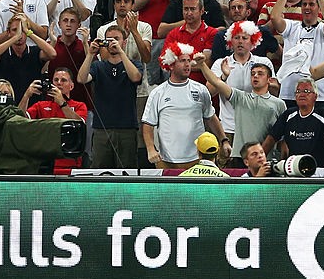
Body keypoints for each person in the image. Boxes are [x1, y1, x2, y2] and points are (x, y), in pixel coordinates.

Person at [142, 41, 229, 169]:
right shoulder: (158, 93)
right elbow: (148, 124)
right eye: (182, 61)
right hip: (167, 160)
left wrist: (224, 140)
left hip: (198, 159)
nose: (187, 64)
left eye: (189, 60)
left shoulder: (201, 89)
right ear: (171, 65)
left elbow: (211, 117)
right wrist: (150, 149)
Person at [196, 52, 284, 167]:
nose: (255, 76)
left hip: (265, 158)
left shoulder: (279, 104)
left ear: (269, 80)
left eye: (260, 74)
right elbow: (216, 82)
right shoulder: (240, 98)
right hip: (240, 157)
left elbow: (282, 137)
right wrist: (202, 64)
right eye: (252, 74)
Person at [77, 24, 143, 169]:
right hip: (101, 128)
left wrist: (121, 52)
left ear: (124, 42)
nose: (112, 43)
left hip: (127, 128)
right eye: (109, 40)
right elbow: (81, 79)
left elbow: (135, 77)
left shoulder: (134, 64)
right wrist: (90, 54)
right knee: (100, 171)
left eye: (116, 39)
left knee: (128, 171)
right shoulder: (98, 66)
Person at [270, 0, 324, 107]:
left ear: (318, 8)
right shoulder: (292, 27)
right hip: (289, 93)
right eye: (304, 4)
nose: (307, 7)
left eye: (312, 4)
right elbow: (274, 18)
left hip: (318, 95)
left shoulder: (322, 31)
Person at [19, 68, 88, 174]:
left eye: (63, 80)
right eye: (56, 80)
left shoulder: (79, 106)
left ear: (71, 86)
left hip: (70, 165)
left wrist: (62, 103)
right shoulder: (40, 105)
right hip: (44, 164)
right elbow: (19, 119)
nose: (59, 83)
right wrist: (26, 95)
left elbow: (79, 125)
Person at [263, 77, 324, 168]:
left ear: (315, 96)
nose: (301, 94)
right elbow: (271, 138)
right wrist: (261, 159)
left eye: (306, 91)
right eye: (298, 91)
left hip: (319, 169)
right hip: (294, 168)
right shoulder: (288, 115)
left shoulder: (323, 114)